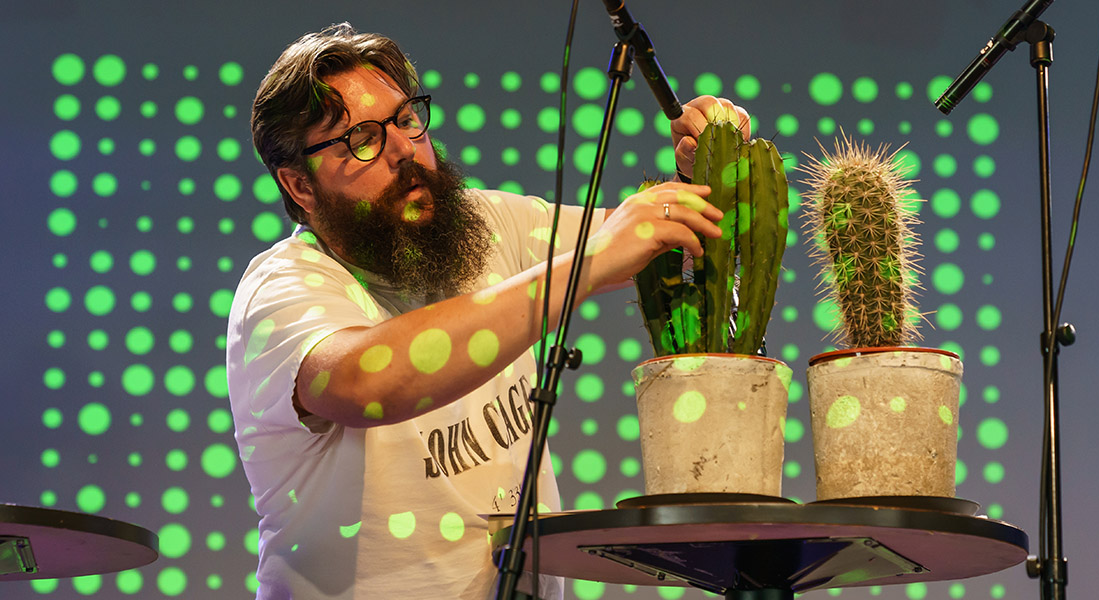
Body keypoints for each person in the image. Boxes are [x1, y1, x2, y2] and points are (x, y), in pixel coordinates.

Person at [227, 22, 751, 600]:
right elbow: (364, 381)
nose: (405, 149)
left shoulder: (482, 226)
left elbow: (643, 244)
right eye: (363, 139)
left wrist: (701, 169)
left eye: (405, 119)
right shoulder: (282, 287)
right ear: (300, 185)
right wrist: (590, 261)